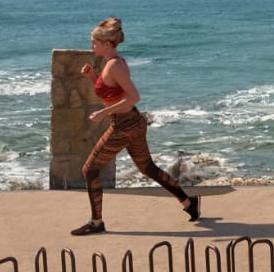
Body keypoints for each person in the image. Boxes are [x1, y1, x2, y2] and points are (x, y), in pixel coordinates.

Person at [74, 17, 199, 236]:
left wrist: (102, 113)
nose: (91, 46)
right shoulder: (115, 62)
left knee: (90, 169)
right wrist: (91, 77)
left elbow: (133, 97)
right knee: (147, 168)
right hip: (133, 123)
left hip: (124, 125)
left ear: (107, 44)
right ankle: (188, 202)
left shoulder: (114, 65)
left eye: (94, 42)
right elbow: (112, 94)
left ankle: (96, 223)